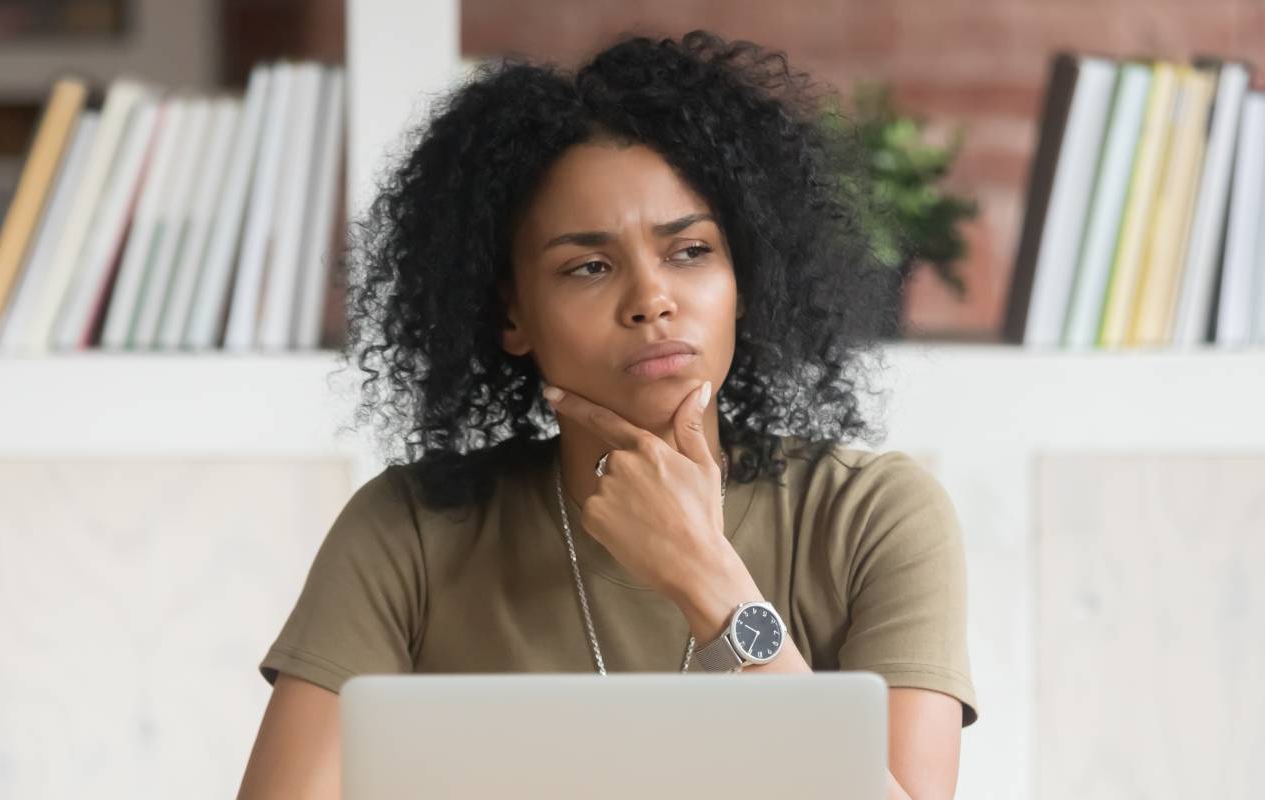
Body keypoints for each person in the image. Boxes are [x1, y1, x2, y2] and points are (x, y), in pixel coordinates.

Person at [237, 29, 979, 799]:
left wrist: (709, 582)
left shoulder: (874, 516)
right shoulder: (409, 532)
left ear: (746, 282)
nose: (651, 300)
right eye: (588, 266)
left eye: (690, 252)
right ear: (512, 315)